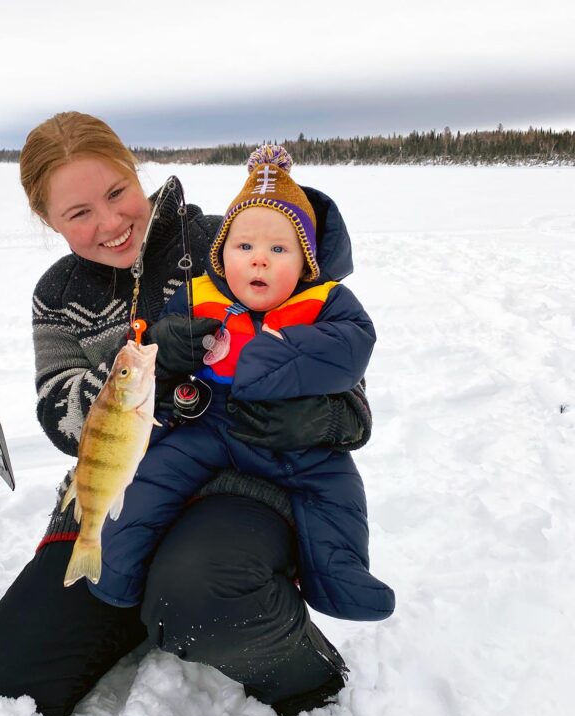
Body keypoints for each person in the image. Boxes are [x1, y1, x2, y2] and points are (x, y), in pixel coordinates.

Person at [0, 112, 374, 716]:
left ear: (137, 172)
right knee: (6, 672)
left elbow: (347, 388)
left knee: (200, 591)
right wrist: (148, 369)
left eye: (115, 193)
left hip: (242, 487)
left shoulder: (228, 240)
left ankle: (304, 676)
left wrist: (321, 423)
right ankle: (148, 600)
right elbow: (61, 413)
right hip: (122, 495)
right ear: (48, 221)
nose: (109, 223)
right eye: (78, 214)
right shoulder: (58, 294)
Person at [96, 145, 395, 624]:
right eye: (244, 247)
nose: (259, 261)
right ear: (222, 253)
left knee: (335, 490)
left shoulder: (326, 301)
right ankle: (114, 574)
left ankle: (341, 582)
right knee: (148, 483)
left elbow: (353, 346)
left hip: (291, 434)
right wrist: (163, 345)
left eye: (278, 250)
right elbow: (147, 356)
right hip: (208, 423)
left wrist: (280, 357)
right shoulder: (198, 295)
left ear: (306, 262)